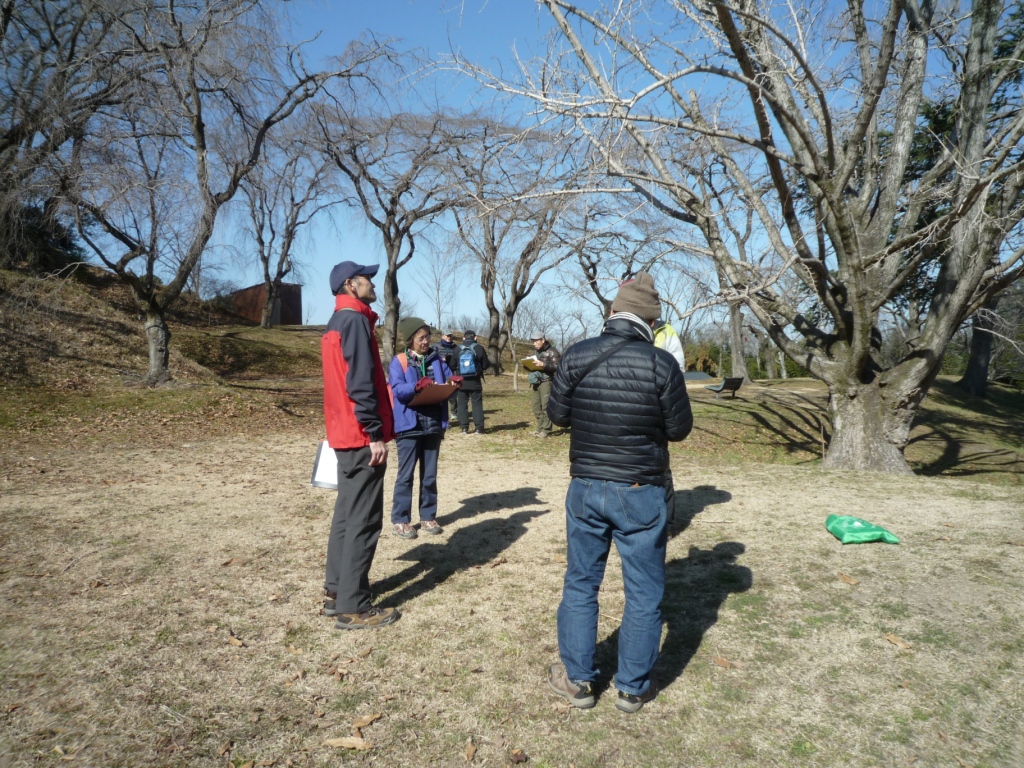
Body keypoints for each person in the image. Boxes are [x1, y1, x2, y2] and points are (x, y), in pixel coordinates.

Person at [546, 271, 692, 713]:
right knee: (644, 592)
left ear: (613, 311)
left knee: (581, 582)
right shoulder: (661, 364)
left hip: (586, 486)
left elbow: (557, 414)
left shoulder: (576, 354)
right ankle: (631, 687)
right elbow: (679, 429)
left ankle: (578, 681)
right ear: (653, 320)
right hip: (640, 489)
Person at [320, 260, 400, 630]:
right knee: (364, 520)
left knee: (347, 514)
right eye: (367, 279)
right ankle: (353, 608)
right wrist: (374, 433)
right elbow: (360, 382)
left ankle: (337, 591)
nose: (372, 283)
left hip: (343, 433)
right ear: (351, 285)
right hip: (359, 434)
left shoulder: (338, 321)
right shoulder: (353, 321)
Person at [389, 317, 461, 539]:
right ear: (410, 340)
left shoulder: (438, 360)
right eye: (420, 338)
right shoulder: (399, 361)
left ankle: (428, 516)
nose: (425, 342)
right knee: (406, 475)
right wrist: (416, 386)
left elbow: (448, 383)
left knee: (429, 475)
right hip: (409, 426)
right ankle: (401, 519)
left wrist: (455, 383)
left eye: (427, 337)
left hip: (432, 426)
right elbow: (398, 389)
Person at [526, 331, 560, 438]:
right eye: (533, 342)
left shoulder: (552, 351)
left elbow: (558, 367)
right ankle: (539, 428)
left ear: (543, 340)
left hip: (546, 382)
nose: (534, 344)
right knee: (535, 407)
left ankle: (546, 430)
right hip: (536, 382)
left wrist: (543, 364)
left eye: (536, 341)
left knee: (545, 407)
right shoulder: (536, 352)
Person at [454, 329, 488, 435]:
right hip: (475, 381)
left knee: (462, 404)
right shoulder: (479, 348)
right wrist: (479, 370)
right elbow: (486, 365)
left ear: (464, 338)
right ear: (475, 337)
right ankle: (479, 428)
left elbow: (451, 365)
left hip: (461, 381)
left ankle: (464, 428)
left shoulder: (457, 349)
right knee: (477, 404)